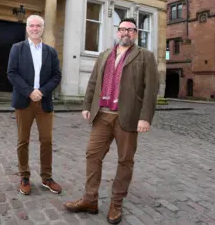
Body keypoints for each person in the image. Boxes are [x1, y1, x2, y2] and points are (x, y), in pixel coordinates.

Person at [64, 18, 159, 224]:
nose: (126, 32)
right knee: (92, 155)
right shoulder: (105, 55)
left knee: (125, 160)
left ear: (136, 33)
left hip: (128, 117)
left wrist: (145, 117)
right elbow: (93, 82)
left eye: (131, 30)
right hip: (102, 115)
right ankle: (90, 199)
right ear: (118, 32)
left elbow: (151, 90)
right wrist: (87, 105)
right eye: (123, 29)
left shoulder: (145, 56)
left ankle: (116, 202)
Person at [7, 15, 63, 195]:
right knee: (23, 141)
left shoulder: (51, 51)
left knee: (46, 140)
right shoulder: (17, 48)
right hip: (24, 101)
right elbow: (12, 73)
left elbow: (57, 76)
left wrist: (43, 91)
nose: (34, 28)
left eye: (38, 25)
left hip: (44, 103)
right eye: (31, 25)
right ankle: (24, 176)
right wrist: (29, 91)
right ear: (27, 28)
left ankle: (46, 177)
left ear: (43, 28)